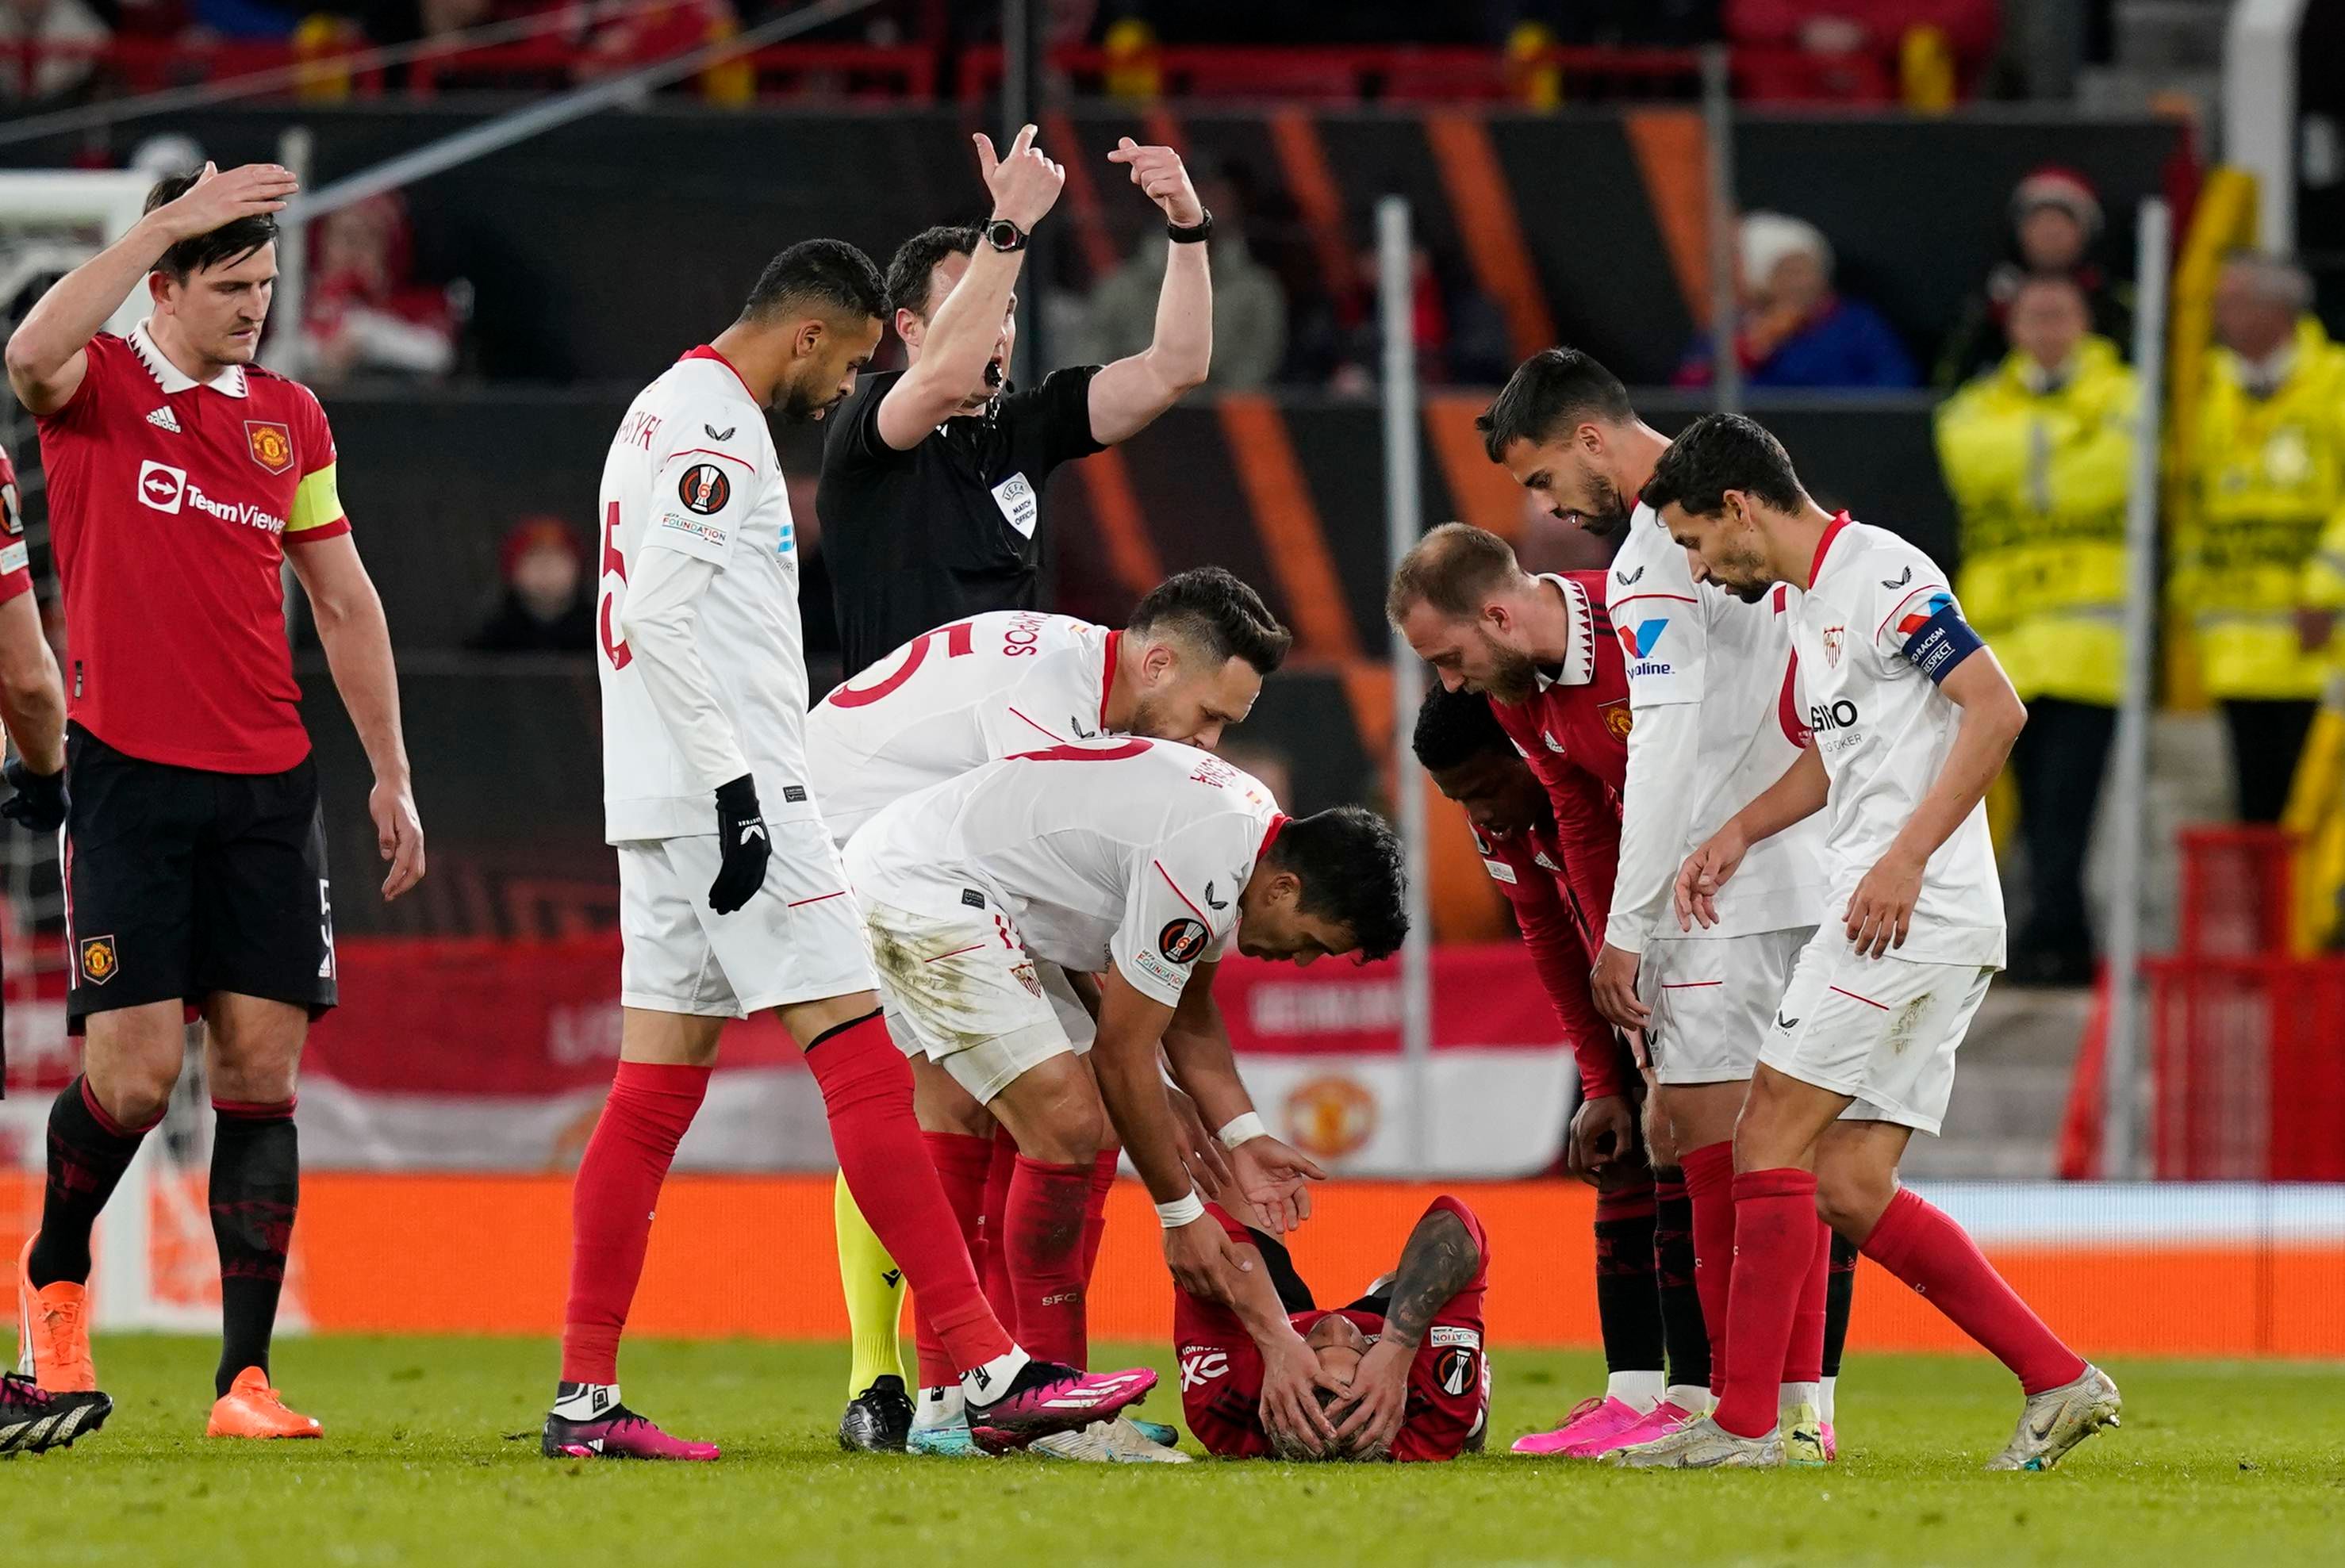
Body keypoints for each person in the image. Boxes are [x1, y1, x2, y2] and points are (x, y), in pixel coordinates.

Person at [556, 232, 1159, 1462]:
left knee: (652, 1092)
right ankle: (985, 1370)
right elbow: (666, 620)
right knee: (869, 1068)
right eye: (851, 366)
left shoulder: (653, 413)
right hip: (733, 792)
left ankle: (585, 1397)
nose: (849, 393)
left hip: (656, 794)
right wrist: (736, 789)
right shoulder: (716, 429)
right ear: (809, 334)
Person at [6, 162, 426, 1440]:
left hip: (265, 783)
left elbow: (345, 601)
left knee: (260, 1072)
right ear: (168, 283)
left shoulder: (289, 419)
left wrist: (392, 771)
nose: (255, 307)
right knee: (131, 1081)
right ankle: (53, 1287)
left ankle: (243, 1380)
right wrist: (165, 219)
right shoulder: (99, 389)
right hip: (128, 774)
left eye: (267, 284)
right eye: (231, 284)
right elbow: (30, 350)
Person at [1618, 412, 2120, 1470]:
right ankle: (2060, 1378)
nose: (1702, 570)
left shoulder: (1885, 573)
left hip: (1903, 912)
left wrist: (1901, 859)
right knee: (1846, 1182)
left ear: (1740, 506)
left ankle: (1751, 1426)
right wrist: (1737, 831)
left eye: (1701, 543)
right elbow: (1829, 758)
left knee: (1766, 1134)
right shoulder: (1810, 605)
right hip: (1920, 919)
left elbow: (1995, 708)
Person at [805, 568, 1292, 1457]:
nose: (1211, 745)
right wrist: (1145, 1078)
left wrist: (1151, 1074)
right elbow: (1024, 876)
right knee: (1032, 1109)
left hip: (885, 853)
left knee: (999, 1107)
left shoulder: (1073, 668)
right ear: (1155, 663)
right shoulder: (1046, 710)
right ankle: (1000, 1395)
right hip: (854, 856)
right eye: (1209, 715)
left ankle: (974, 1394)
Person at [1472, 345, 1850, 1462]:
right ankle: (1779, 1407)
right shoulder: (1756, 499)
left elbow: (1671, 741)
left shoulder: (1651, 559)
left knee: (1713, 1131)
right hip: (1805, 851)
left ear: (1594, 439)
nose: (1546, 508)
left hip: (1726, 882)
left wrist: (1627, 926)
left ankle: (1747, 1411)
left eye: (1543, 481)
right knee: (1770, 1138)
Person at [839, 739, 1407, 1452]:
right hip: (927, 881)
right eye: (1312, 942)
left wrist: (1243, 1135)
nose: (1298, 959)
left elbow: (1189, 1017)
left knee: (1052, 1123)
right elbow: (1125, 1049)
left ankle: (973, 1404)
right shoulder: (1208, 854)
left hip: (959, 884)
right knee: (1069, 1120)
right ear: (1285, 889)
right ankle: (1033, 1415)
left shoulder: (1242, 838)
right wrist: (1179, 1214)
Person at [1386, 527, 1721, 1457]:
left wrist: (1641, 985)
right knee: (1620, 1151)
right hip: (1622, 982)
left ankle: (1701, 1395)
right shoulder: (1520, 811)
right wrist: (1601, 1074)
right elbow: (1543, 932)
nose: (1475, 813)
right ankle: (1634, 1391)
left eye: (1478, 790)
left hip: (1694, 950)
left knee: (1687, 1157)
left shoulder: (1609, 686)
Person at [818, 126, 1212, 679]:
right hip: (899, 743)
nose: (997, 329)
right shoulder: (866, 413)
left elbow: (1177, 366)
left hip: (1009, 735)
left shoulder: (1028, 424)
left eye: (1006, 310)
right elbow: (945, 380)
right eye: (969, 306)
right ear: (907, 325)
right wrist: (1012, 223)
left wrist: (1188, 227)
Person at [1935, 274, 2136, 984]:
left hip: (2090, 652)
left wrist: (2030, 451)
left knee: (2068, 810)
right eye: (2034, 316)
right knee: (2008, 808)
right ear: (2013, 327)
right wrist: (2070, 438)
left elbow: (2115, 476)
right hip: (2006, 650)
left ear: (2086, 322)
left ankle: (2062, 936)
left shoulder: (2130, 394)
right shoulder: (1974, 405)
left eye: (2062, 314)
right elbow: (1971, 461)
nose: (2048, 328)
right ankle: (2040, 935)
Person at [2180, 252, 2345, 824]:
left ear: (2280, 310)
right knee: (2255, 809)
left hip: (2319, 642)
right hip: (2235, 643)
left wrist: (2326, 588)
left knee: (2317, 808)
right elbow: (2195, 504)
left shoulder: (2334, 382)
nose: (2220, 314)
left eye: (2234, 300)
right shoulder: (2209, 391)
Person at [1174, 1190, 1491, 1462]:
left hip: (1270, 1336)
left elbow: (1200, 1235)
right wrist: (1396, 1345)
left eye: (1320, 1345)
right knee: (1412, 1283)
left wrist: (1278, 1340)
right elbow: (1453, 1220)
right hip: (1395, 1345)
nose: (1337, 1326)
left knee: (1225, 1172)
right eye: (1357, 1349)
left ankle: (1313, 1345)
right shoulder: (1435, 1408)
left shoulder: (1224, 1401)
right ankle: (1475, 1406)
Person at [1936, 166, 2134, 393]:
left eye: (2062, 222)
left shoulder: (2115, 303)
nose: (2051, 232)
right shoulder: (1985, 304)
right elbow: (1950, 380)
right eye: (2040, 222)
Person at [1084, 168, 1286, 392]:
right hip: (1132, 410)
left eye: (1216, 193)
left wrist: (1207, 407)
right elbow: (1091, 357)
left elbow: (1258, 362)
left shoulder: (1258, 290)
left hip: (1223, 415)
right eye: (1191, 191)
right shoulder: (1120, 286)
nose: (1202, 202)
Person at [1676, 213, 1917, 392]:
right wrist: (1750, 351)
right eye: (1787, 272)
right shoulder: (1733, 329)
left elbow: (1897, 382)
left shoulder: (1856, 323)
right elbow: (1693, 391)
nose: (1801, 282)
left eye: (1809, 269)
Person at [466, 516, 593, 654]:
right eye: (534, 559)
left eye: (557, 559)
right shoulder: (492, 640)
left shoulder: (599, 633)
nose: (546, 570)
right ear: (514, 570)